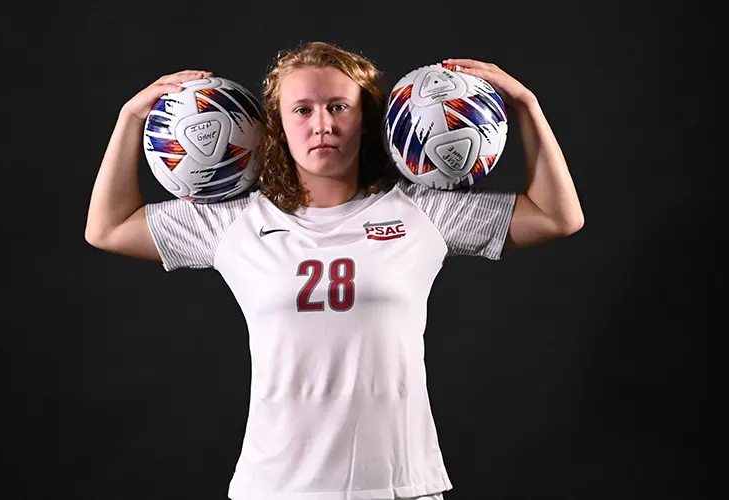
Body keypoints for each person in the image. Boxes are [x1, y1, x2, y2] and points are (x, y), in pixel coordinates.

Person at [85, 41, 584, 500]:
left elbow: (558, 216)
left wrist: (526, 107)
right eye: (302, 110)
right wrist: (131, 118)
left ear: (366, 119)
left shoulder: (424, 212)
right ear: (276, 126)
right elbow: (107, 228)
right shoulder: (233, 222)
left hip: (400, 484)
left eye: (338, 106)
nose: (321, 124)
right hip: (276, 486)